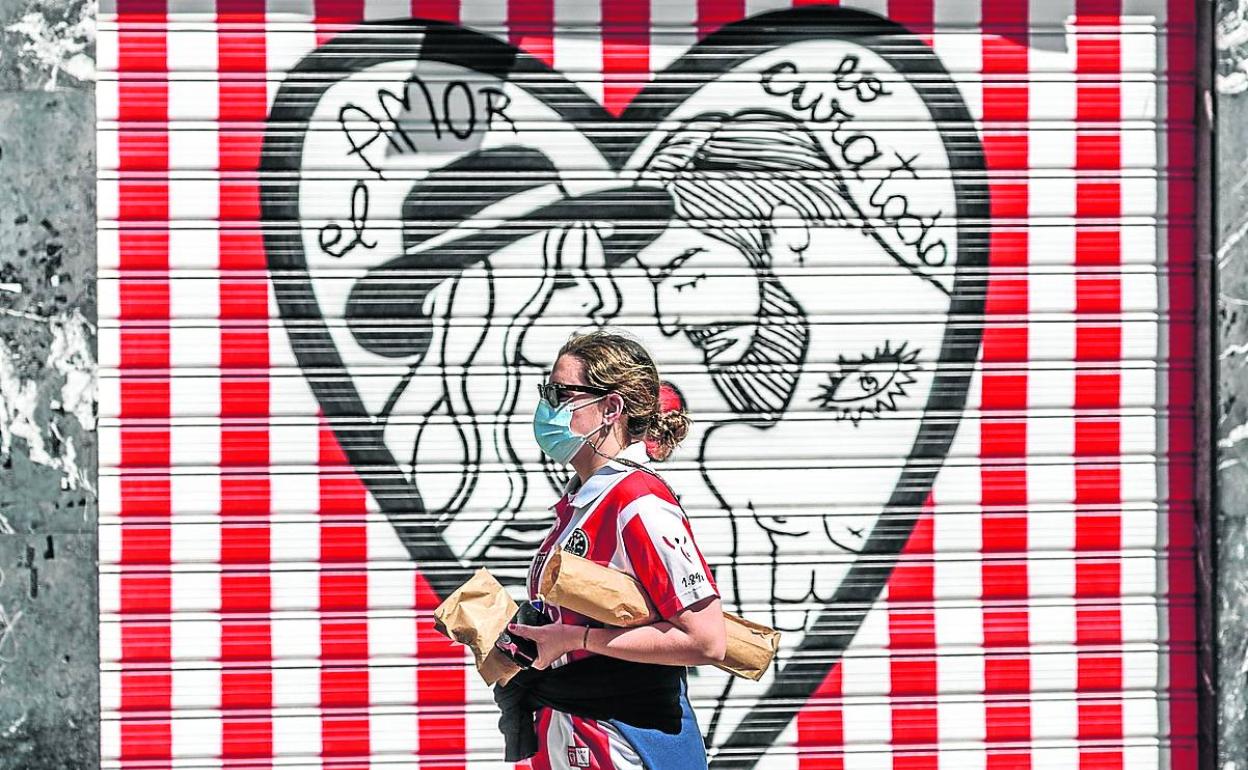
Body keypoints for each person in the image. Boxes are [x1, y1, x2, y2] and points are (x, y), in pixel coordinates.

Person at [500, 330, 727, 770]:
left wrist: (575, 638)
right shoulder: (582, 500)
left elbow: (706, 639)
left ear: (610, 408)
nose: (546, 406)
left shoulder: (638, 502)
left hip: (622, 739)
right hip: (570, 730)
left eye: (559, 392)